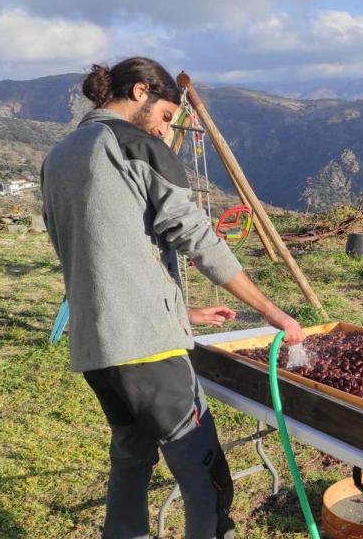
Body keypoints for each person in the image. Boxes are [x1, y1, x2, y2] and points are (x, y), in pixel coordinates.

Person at [40, 56, 306, 539]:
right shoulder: (134, 144)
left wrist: (179, 310)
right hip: (147, 348)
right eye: (166, 116)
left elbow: (92, 256)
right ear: (141, 91)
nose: (166, 132)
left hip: (97, 348)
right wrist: (272, 311)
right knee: (202, 471)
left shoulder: (59, 155)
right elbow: (200, 240)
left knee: (131, 456)